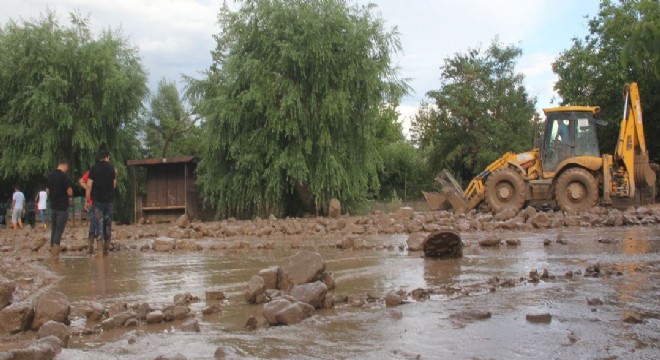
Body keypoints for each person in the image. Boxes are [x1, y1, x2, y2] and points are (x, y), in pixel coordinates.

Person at [86, 149, 117, 255]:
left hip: (97, 202)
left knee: (98, 224)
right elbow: (114, 185)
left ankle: (99, 250)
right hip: (109, 202)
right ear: (107, 157)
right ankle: (106, 249)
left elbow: (89, 185)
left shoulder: (94, 168)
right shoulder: (112, 168)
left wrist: (87, 199)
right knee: (107, 225)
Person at [46, 159, 73, 260]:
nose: (67, 169)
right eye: (67, 168)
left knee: (54, 229)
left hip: (53, 207)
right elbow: (69, 190)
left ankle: (52, 249)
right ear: (64, 165)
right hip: (62, 208)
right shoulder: (64, 176)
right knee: (59, 231)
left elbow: (47, 190)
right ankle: (55, 255)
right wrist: (70, 199)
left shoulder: (50, 175)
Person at [79, 168, 96, 253]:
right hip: (94, 201)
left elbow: (82, 181)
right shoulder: (91, 172)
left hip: (96, 201)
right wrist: (88, 189)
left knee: (94, 223)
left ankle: (92, 246)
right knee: (94, 223)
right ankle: (92, 246)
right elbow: (81, 181)